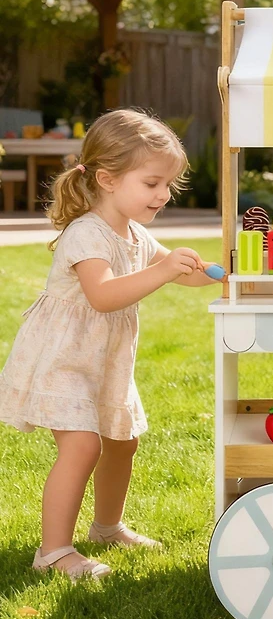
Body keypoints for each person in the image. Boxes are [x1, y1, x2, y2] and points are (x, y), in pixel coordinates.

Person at [0, 109, 224, 579]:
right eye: (152, 183)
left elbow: (183, 276)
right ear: (106, 179)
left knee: (123, 440)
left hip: (104, 362)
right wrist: (163, 270)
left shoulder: (134, 232)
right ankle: (54, 552)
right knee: (82, 447)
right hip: (65, 358)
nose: (163, 195)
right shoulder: (86, 234)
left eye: (168, 185)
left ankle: (106, 527)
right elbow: (102, 296)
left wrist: (221, 272)